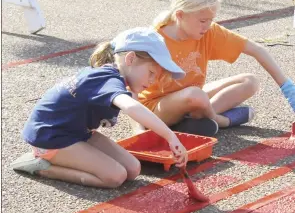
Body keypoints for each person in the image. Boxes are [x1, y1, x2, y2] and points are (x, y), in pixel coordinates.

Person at [11, 28, 188, 188]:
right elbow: (130, 106)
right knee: (114, 176)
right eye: (151, 73)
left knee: (133, 169)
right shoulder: (107, 79)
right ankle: (42, 167)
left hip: (75, 132)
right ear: (131, 59)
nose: (152, 82)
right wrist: (169, 136)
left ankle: (56, 159)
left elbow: (134, 103)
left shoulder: (115, 77)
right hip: (50, 137)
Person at [136, 0, 295, 136]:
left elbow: (257, 50)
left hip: (194, 99)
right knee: (195, 95)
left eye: (211, 20)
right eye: (203, 21)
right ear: (180, 15)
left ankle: (194, 120)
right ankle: (220, 120)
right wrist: (139, 132)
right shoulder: (154, 40)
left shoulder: (209, 31)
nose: (207, 26)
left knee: (250, 81)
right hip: (157, 108)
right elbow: (130, 89)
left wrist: (287, 86)